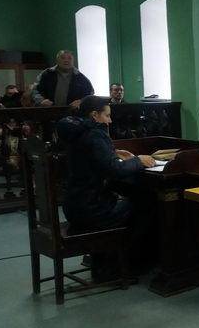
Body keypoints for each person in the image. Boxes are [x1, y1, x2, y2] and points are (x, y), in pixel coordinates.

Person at [56, 95, 155, 234]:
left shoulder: (75, 132)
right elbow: (115, 170)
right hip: (93, 211)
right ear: (94, 115)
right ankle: (131, 248)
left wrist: (112, 153)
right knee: (148, 202)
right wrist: (139, 161)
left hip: (73, 207)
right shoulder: (95, 134)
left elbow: (89, 157)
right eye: (107, 116)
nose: (110, 120)